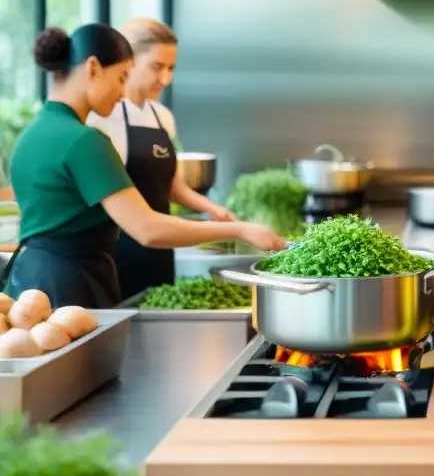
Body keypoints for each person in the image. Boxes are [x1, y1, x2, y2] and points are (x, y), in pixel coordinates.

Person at [1, 23, 286, 309]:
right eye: (121, 77)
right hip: (73, 287)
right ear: (93, 68)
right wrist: (240, 230)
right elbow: (147, 228)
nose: (123, 93)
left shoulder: (30, 136)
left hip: (29, 285)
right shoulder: (85, 141)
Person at [87, 18, 234, 299]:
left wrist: (213, 210)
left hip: (160, 252)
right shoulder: (103, 119)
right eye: (156, 67)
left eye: (171, 68)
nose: (165, 79)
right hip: (119, 253)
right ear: (129, 60)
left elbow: (172, 187)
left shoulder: (162, 117)